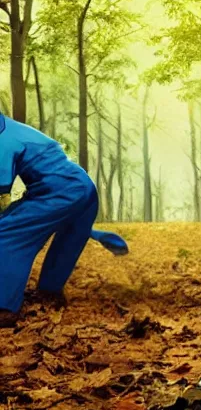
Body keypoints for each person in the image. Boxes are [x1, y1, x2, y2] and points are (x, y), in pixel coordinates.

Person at [0, 112, 128, 326]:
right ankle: (50, 293)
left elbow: (3, 184)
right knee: (67, 243)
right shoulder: (17, 130)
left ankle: (4, 307)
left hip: (60, 192)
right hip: (84, 188)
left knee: (6, 236)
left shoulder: (6, 137)